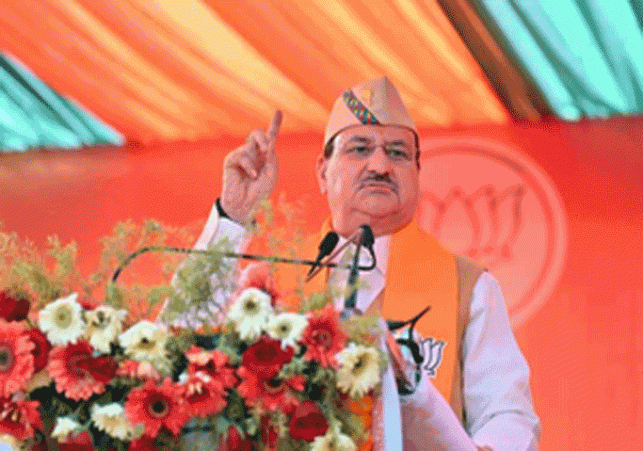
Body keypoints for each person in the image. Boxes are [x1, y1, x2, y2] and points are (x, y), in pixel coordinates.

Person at [187, 77, 540, 450]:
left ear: (418, 174)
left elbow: (508, 416)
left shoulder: (468, 286)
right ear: (323, 172)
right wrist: (233, 216)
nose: (380, 165)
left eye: (398, 153)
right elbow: (185, 345)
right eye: (359, 148)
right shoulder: (271, 279)